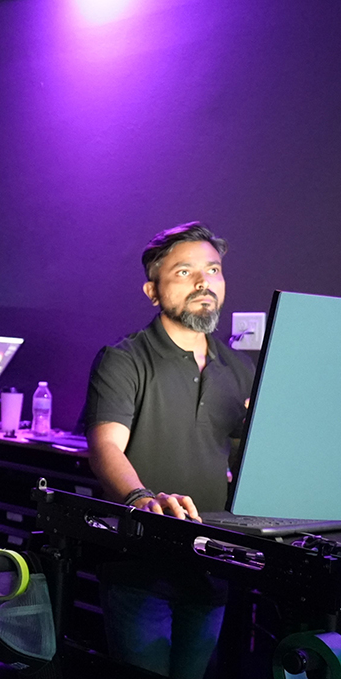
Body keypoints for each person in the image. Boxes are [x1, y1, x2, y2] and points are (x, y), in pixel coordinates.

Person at [82, 222, 254, 679]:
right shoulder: (124, 359)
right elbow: (105, 448)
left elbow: (241, 459)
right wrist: (142, 498)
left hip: (213, 563)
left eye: (213, 270)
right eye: (184, 271)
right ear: (153, 291)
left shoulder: (239, 368)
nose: (204, 282)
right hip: (141, 567)